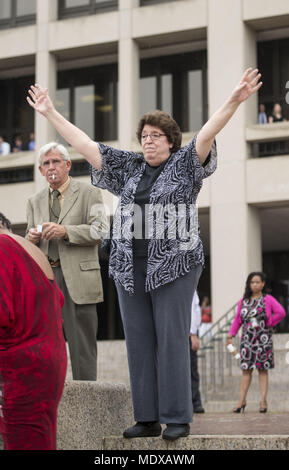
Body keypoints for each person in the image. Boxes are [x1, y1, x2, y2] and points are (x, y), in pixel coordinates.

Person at [27, 67, 262, 440]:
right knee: (138, 341)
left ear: (170, 140)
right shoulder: (130, 168)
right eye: (144, 136)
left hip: (174, 265)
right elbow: (87, 145)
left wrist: (234, 99)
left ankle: (177, 417)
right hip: (127, 266)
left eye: (155, 136)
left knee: (171, 339)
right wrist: (50, 113)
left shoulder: (185, 165)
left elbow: (208, 132)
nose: (148, 141)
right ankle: (148, 417)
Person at [26, 142, 108, 381]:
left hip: (78, 279)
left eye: (56, 162)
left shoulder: (89, 193)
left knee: (82, 348)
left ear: (68, 165)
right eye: (46, 164)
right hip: (45, 280)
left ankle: (87, 403)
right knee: (44, 346)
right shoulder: (33, 201)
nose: (51, 167)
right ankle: (50, 398)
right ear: (41, 170)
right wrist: (30, 239)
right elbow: (28, 245)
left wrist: (65, 231)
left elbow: (100, 230)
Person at [0, 212, 67, 450]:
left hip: (22, 369)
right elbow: (57, 300)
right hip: (48, 363)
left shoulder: (2, 247)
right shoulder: (30, 248)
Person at [227, 272, 286, 414]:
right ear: (249, 284)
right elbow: (237, 320)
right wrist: (231, 335)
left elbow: (281, 312)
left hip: (263, 340)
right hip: (247, 341)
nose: (255, 284)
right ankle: (241, 401)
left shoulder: (268, 299)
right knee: (246, 371)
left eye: (257, 282)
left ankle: (263, 402)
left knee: (262, 370)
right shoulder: (244, 301)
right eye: (252, 282)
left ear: (263, 284)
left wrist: (270, 322)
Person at [190, 291, 205, 414]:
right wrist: (193, 334)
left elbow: (195, 311)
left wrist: (194, 333)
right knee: (190, 370)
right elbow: (192, 311)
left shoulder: (193, 289)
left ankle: (195, 402)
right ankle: (194, 402)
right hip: (188, 332)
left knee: (192, 370)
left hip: (190, 332)